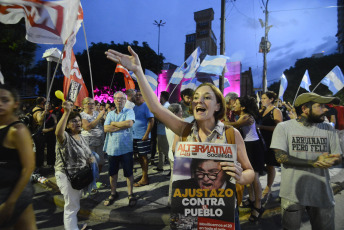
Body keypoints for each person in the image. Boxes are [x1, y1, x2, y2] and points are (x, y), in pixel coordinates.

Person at [105, 46, 254, 229]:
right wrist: (137, 71)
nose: (198, 100)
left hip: (223, 215)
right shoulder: (185, 130)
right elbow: (156, 108)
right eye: (196, 97)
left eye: (206, 97)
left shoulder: (232, 134)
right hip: (189, 214)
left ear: (217, 106)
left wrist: (241, 177)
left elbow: (250, 172)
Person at [271, 92, 342, 230]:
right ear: (304, 109)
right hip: (292, 194)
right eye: (320, 106)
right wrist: (312, 162)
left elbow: (338, 156)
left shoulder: (328, 128)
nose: (326, 109)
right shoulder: (284, 128)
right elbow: (280, 157)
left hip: (322, 193)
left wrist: (333, 160)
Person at [0, 85, 37, 229]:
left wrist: (11, 201)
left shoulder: (18, 130)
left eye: (5, 100)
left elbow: (29, 167)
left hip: (13, 191)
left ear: (15, 104)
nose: (0, 104)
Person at [55, 101, 93, 230]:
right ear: (67, 125)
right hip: (67, 176)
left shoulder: (80, 136)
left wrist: (90, 159)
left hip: (78, 176)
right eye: (73, 121)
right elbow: (58, 133)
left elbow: (86, 154)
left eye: (78, 120)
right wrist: (66, 113)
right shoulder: (65, 137)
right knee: (71, 206)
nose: (77, 123)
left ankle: (74, 226)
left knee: (74, 204)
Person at [232, 96, 265, 222]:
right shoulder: (243, 115)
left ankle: (258, 206)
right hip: (248, 145)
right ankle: (251, 199)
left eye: (237, 103)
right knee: (249, 176)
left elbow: (234, 125)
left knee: (254, 178)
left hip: (253, 147)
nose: (234, 104)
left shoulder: (247, 117)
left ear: (243, 106)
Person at [103, 91, 137, 207]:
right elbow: (106, 128)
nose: (120, 101)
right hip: (112, 148)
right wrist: (119, 125)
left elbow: (129, 124)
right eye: (117, 98)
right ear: (114, 100)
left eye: (122, 99)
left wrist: (114, 124)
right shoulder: (110, 114)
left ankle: (130, 194)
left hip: (126, 147)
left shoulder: (129, 111)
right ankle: (113, 193)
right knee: (112, 173)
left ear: (125, 100)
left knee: (128, 172)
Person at [257, 91, 283, 202]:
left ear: (271, 99)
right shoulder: (262, 111)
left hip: (271, 141)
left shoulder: (276, 111)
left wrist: (261, 127)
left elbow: (279, 128)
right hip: (260, 141)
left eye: (264, 98)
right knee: (260, 164)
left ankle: (268, 188)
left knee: (270, 165)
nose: (262, 100)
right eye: (261, 98)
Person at [132, 90, 154, 186]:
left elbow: (151, 121)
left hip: (143, 137)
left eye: (140, 95)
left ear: (144, 97)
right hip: (134, 136)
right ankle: (143, 176)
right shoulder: (134, 107)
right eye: (136, 95)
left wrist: (146, 134)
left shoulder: (146, 106)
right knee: (140, 158)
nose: (138, 96)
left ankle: (145, 178)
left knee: (144, 157)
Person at [80, 97, 106, 173]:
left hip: (100, 141)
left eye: (93, 104)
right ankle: (91, 181)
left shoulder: (97, 113)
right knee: (91, 162)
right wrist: (98, 118)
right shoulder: (81, 115)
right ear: (83, 105)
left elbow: (104, 124)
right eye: (89, 103)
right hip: (89, 143)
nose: (92, 105)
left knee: (100, 162)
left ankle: (98, 179)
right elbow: (87, 127)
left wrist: (103, 118)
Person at [165, 103, 183, 205]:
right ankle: (171, 202)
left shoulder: (168, 123)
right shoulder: (177, 126)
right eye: (180, 111)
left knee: (173, 179)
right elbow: (175, 146)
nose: (182, 113)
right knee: (175, 181)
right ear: (175, 113)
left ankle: (171, 201)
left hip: (171, 156)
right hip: (176, 156)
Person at [155, 91, 170, 172]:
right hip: (160, 131)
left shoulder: (167, 107)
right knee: (160, 150)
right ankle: (160, 166)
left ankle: (172, 168)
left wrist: (157, 117)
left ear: (163, 98)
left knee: (166, 151)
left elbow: (165, 119)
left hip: (164, 132)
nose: (159, 98)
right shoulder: (163, 106)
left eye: (160, 97)